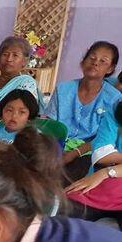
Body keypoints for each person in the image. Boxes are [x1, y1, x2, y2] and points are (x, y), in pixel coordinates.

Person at [46, 41, 121, 181]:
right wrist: (54, 150)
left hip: (88, 153)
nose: (95, 63)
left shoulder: (114, 99)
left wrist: (74, 153)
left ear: (110, 68)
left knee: (63, 177)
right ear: (83, 61)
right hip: (56, 146)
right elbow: (50, 125)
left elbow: (104, 138)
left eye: (103, 61)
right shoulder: (63, 89)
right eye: (92, 57)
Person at [66, 102, 122, 222]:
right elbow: (102, 155)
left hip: (105, 181)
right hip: (98, 188)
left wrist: (107, 172)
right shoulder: (116, 110)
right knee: (60, 216)